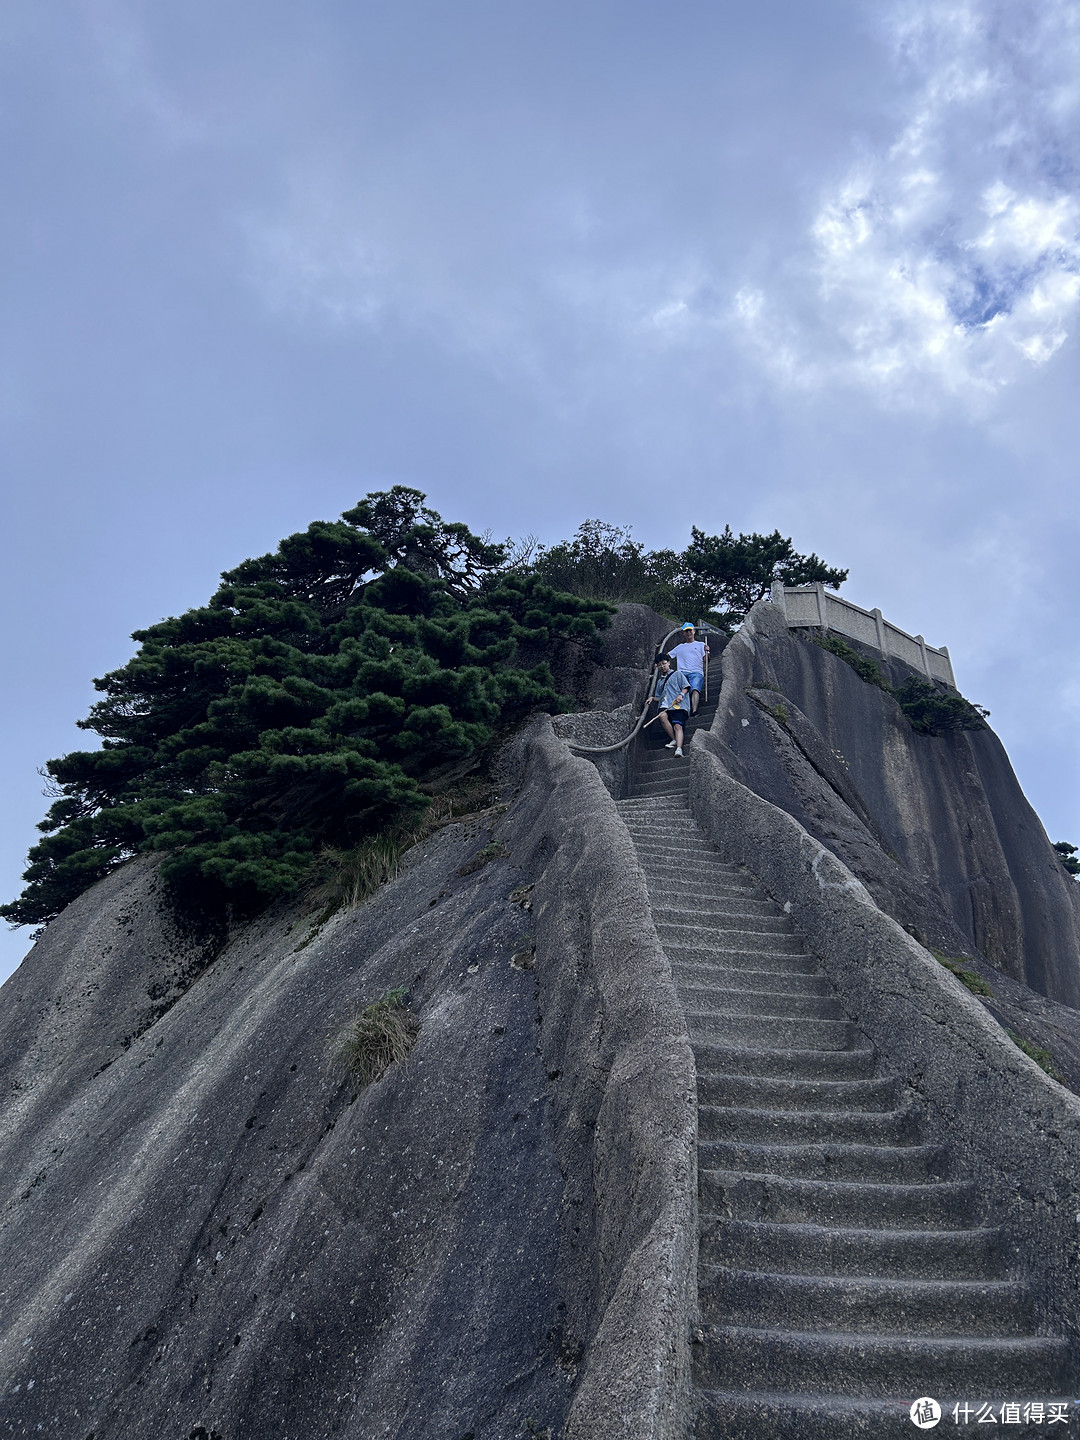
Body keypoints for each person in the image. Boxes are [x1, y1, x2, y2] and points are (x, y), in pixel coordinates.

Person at [648, 654, 691, 756]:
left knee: (677, 726)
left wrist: (680, 695)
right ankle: (674, 739)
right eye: (659, 665)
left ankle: (679, 749)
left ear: (669, 663)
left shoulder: (677, 674)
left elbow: (686, 687)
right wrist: (652, 698)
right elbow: (660, 697)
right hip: (665, 706)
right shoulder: (659, 682)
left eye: (664, 663)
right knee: (662, 716)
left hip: (678, 705)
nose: (662, 666)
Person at [670, 623, 709, 714]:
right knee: (680, 689)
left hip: (696, 672)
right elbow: (668, 655)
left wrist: (707, 652)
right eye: (686, 631)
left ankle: (694, 710)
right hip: (682, 672)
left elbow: (706, 660)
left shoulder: (701, 644)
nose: (688, 633)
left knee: (695, 688)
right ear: (683, 633)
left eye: (690, 630)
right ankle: (682, 710)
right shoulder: (679, 647)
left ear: (694, 631)